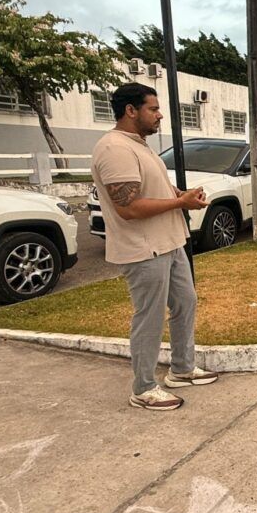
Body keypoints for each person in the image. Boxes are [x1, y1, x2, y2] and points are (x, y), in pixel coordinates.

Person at [91, 83, 218, 411]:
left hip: (169, 243)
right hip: (143, 248)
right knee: (149, 316)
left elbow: (152, 187)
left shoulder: (139, 145)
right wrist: (179, 203)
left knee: (186, 302)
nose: (160, 115)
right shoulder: (114, 148)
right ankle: (144, 387)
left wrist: (182, 198)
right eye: (153, 108)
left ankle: (182, 368)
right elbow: (128, 207)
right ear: (130, 110)